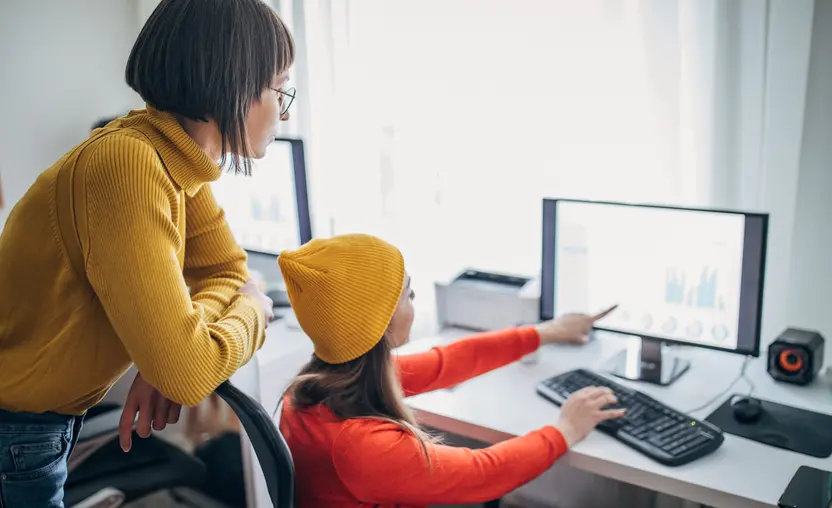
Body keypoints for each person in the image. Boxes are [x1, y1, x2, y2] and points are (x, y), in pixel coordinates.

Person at [0, 0, 294, 506]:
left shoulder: (176, 159)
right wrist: (256, 309)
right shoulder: (128, 164)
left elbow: (228, 270)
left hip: (36, 425)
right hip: (18, 433)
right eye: (281, 88)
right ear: (235, 83)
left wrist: (174, 350)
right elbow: (195, 362)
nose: (285, 107)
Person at [278, 234, 625, 508]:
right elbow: (484, 473)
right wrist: (565, 429)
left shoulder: (319, 383)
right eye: (407, 294)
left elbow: (448, 361)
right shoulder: (360, 447)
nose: (413, 302)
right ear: (378, 322)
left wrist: (547, 332)